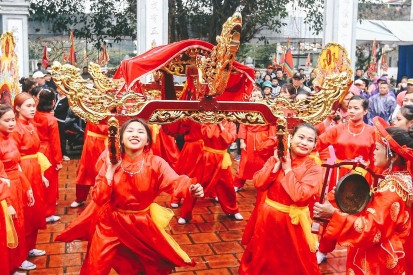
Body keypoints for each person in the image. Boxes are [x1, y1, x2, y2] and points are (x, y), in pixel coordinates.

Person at [73, 119, 204, 274]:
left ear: (148, 140)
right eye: (130, 131)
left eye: (141, 132)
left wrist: (191, 188)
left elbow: (175, 181)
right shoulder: (109, 158)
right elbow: (99, 197)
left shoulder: (156, 163)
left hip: (140, 223)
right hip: (110, 223)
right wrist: (110, 170)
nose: (135, 134)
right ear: (121, 138)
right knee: (95, 266)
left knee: (146, 266)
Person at [314, 117, 413, 274]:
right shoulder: (401, 177)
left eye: (378, 149)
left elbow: (371, 229)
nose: (373, 152)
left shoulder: (392, 187)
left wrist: (333, 214)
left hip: (379, 256)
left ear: (392, 156)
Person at [239, 123, 322, 275]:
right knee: (262, 258)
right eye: (301, 137)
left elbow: (301, 196)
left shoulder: (314, 168)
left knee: (293, 261)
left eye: (310, 140)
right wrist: (276, 165)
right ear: (290, 138)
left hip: (293, 223)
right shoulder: (275, 158)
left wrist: (288, 170)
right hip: (268, 219)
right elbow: (258, 183)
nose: (304, 143)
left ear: (315, 145)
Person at [315, 95, 376, 263]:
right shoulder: (337, 129)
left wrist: (374, 182)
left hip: (362, 178)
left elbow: (376, 159)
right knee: (331, 212)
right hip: (339, 176)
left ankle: (358, 252)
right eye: (350, 107)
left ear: (365, 111)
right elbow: (318, 143)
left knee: (360, 213)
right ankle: (323, 249)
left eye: (356, 108)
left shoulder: (372, 132)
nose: (352, 111)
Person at [179, 120, 243, 224]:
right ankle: (185, 214)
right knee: (196, 185)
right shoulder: (206, 122)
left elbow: (229, 139)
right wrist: (214, 123)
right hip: (207, 158)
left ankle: (233, 209)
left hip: (222, 159)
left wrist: (221, 127)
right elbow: (207, 135)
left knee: (228, 187)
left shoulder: (230, 124)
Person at [13, 93, 51, 261]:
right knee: (25, 212)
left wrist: (41, 174)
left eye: (33, 106)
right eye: (28, 106)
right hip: (24, 171)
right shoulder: (15, 128)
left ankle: (31, 247)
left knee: (35, 211)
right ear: (17, 108)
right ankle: (21, 255)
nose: (32, 109)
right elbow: (14, 158)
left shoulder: (30, 125)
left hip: (34, 169)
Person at [0, 104, 36, 272]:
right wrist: (6, 201)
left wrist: (27, 186)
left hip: (16, 185)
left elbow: (17, 165)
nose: (11, 123)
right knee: (9, 229)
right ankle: (10, 265)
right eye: (6, 121)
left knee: (20, 225)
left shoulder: (10, 138)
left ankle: (19, 259)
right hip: (6, 190)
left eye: (12, 119)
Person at [33, 89, 63, 223]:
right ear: (53, 102)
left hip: (35, 150)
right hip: (48, 152)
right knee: (50, 183)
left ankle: (38, 210)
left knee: (38, 182)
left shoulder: (33, 115)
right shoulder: (51, 119)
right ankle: (48, 213)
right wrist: (58, 160)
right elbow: (55, 142)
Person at [70, 122, 108, 208]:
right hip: (91, 143)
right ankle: (80, 198)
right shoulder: (91, 112)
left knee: (106, 173)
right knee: (84, 171)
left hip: (108, 143)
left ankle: (105, 198)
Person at [53, 87, 70, 161]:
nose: (60, 90)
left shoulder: (67, 99)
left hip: (61, 121)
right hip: (52, 119)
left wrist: (54, 112)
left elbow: (63, 109)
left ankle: (64, 154)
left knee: (61, 138)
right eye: (59, 88)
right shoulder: (55, 96)